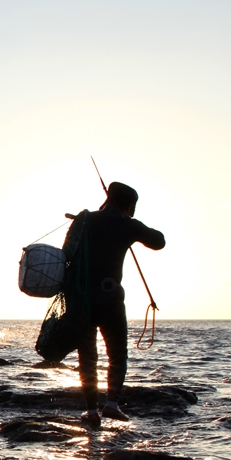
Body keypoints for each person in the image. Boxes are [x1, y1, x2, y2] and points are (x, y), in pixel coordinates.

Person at [71, 182, 165, 427]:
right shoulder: (128, 225)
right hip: (111, 298)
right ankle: (111, 406)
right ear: (129, 205)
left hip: (83, 299)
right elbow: (159, 241)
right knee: (117, 355)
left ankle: (91, 412)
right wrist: (130, 229)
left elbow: (67, 254)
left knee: (87, 357)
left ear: (108, 198)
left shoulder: (85, 220)